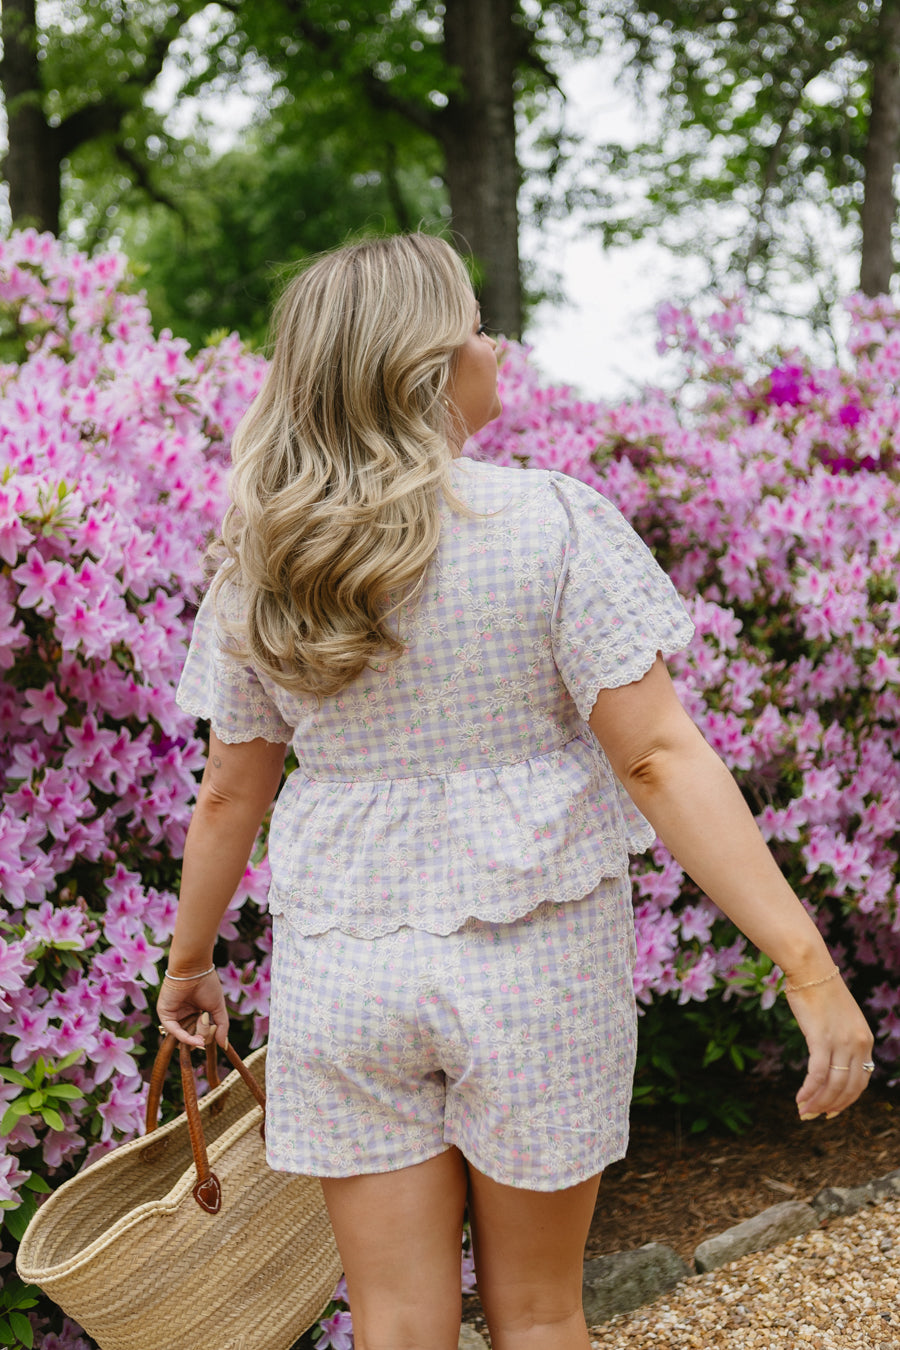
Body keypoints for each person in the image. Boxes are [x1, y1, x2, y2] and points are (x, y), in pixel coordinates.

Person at [157, 233, 874, 1350]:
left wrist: (191, 963)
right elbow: (658, 759)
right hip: (534, 962)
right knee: (540, 1314)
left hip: (346, 975)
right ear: (431, 366)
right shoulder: (551, 524)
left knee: (395, 1320)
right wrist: (808, 965)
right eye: (479, 325)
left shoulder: (270, 560)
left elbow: (228, 797)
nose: (499, 346)